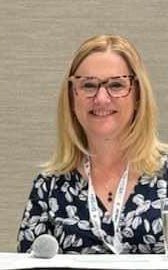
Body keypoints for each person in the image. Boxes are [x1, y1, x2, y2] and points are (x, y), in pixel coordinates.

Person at [17, 35, 168, 254]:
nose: (101, 99)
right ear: (72, 97)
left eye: (116, 85)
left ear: (137, 95)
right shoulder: (49, 187)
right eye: (89, 85)